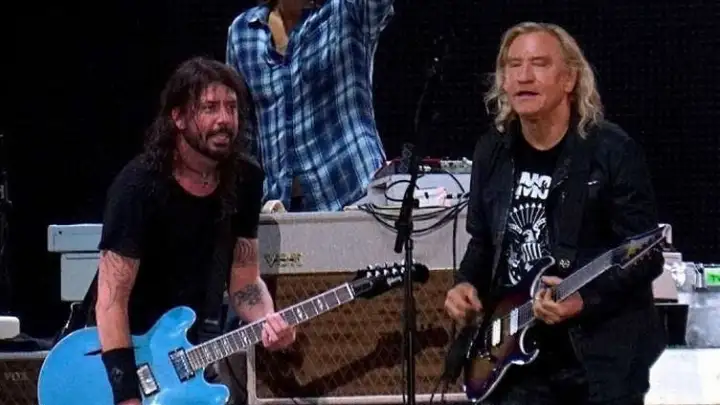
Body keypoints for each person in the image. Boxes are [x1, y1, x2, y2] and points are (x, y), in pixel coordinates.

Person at [444, 22, 666, 405]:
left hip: (593, 364)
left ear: (569, 79)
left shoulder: (612, 152)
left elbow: (646, 254)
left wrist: (585, 299)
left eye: (539, 63)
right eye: (514, 65)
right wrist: (465, 285)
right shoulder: (491, 152)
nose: (524, 76)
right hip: (513, 363)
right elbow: (483, 243)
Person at [88, 57, 296, 405]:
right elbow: (111, 300)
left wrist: (268, 320)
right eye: (210, 108)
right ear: (179, 117)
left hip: (186, 357)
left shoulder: (245, 179)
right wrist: (126, 397)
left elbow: (245, 281)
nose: (224, 119)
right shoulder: (138, 186)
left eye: (231, 107)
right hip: (124, 355)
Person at [225, 0, 394, 212]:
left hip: (355, 194)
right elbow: (243, 136)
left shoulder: (346, 10)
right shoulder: (242, 32)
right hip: (281, 208)